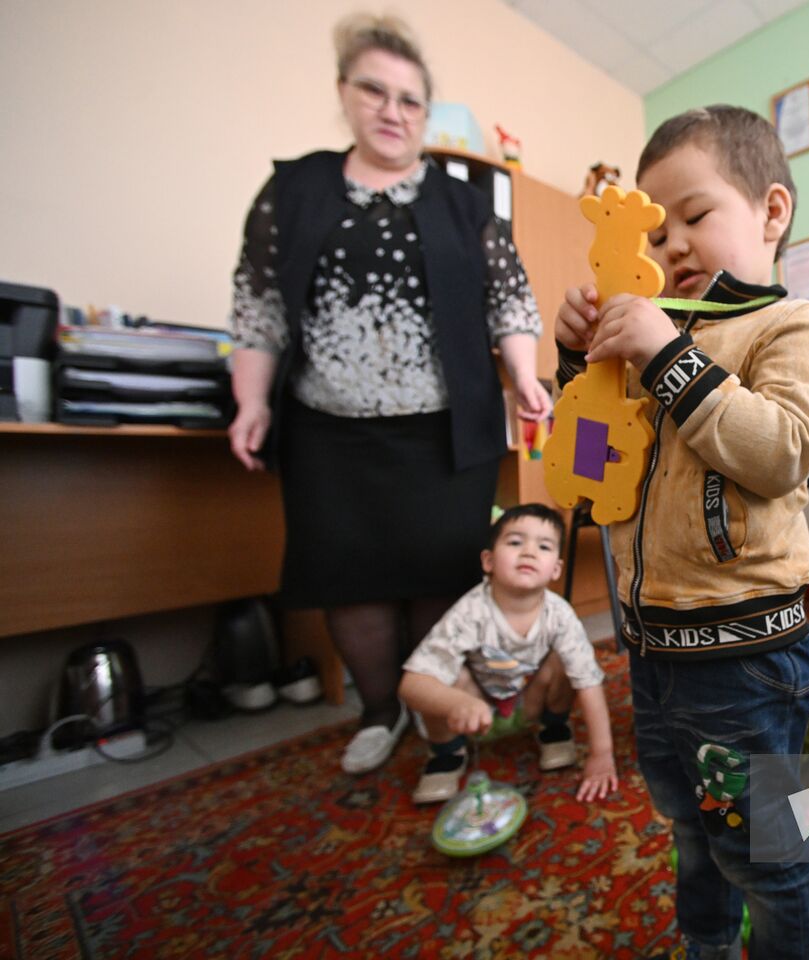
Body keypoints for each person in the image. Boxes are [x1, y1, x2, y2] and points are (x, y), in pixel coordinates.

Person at [554, 105, 809, 960]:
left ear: (771, 212)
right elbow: (588, 460)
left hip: (745, 662)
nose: (671, 243)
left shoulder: (791, 327)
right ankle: (709, 946)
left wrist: (665, 358)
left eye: (695, 215)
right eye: (657, 225)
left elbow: (785, 449)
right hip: (653, 653)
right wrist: (584, 364)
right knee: (690, 829)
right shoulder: (654, 338)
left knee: (763, 851)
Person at [227, 14, 551, 776]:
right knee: (351, 580)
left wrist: (527, 376)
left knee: (437, 579)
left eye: (410, 99)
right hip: (328, 433)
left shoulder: (464, 204)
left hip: (444, 433)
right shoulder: (296, 188)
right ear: (345, 93)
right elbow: (258, 305)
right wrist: (252, 400)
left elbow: (510, 301)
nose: (391, 111)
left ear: (425, 110)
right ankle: (380, 712)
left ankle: (433, 708)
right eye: (373, 90)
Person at [398, 504, 617, 803]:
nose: (528, 552)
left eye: (543, 546)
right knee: (442, 677)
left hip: (529, 702)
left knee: (571, 661)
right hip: (475, 713)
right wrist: (456, 702)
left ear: (555, 569)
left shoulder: (560, 614)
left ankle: (553, 728)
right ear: (488, 561)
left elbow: (589, 684)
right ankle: (446, 755)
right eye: (515, 542)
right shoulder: (470, 611)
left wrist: (602, 754)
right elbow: (411, 685)